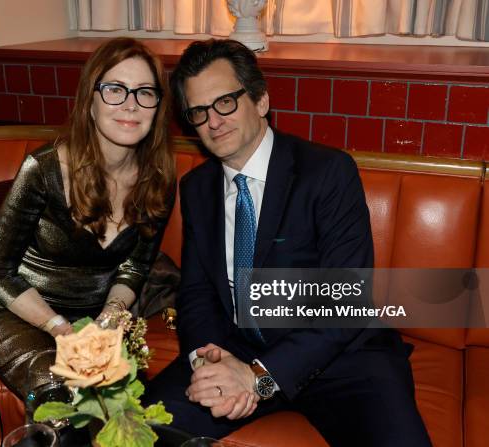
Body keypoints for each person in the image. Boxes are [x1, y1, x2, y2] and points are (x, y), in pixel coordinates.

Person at [144, 39, 432, 447]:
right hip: (235, 348)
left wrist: (259, 376)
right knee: (136, 434)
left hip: (341, 360)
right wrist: (209, 361)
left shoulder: (328, 172)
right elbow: (195, 291)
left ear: (260, 101)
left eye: (225, 102)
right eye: (199, 111)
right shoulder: (196, 188)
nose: (214, 121)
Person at [0, 37, 175, 399]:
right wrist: (61, 329)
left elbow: (137, 265)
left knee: (128, 406)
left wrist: (109, 318)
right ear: (90, 101)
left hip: (95, 318)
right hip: (20, 312)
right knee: (63, 399)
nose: (130, 105)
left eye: (145, 92)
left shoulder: (159, 178)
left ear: (158, 106)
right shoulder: (43, 168)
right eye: (115, 89)